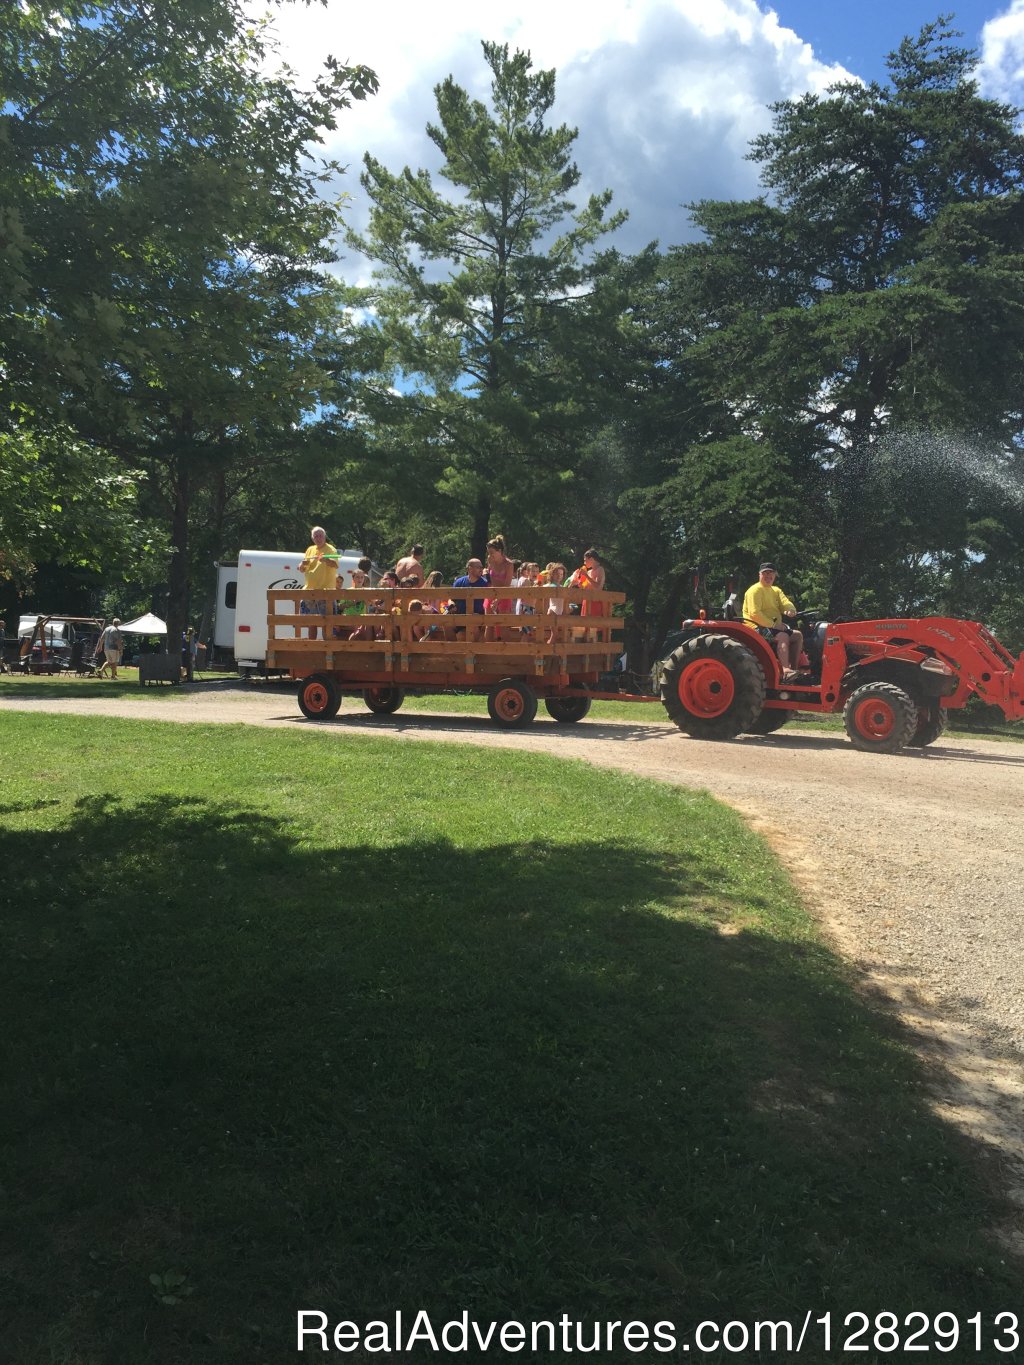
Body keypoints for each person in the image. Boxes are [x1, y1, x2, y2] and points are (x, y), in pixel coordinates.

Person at [742, 562, 804, 680]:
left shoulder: (776, 590)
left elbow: (785, 602)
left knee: (798, 635)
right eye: (765, 573)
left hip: (773, 627)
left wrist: (790, 610)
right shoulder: (754, 590)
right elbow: (755, 614)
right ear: (759, 575)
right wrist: (775, 625)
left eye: (771, 574)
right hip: (756, 627)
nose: (768, 576)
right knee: (783, 636)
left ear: (775, 576)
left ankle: (795, 670)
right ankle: (786, 671)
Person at [299, 526, 338, 639]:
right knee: (312, 623)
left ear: (325, 537)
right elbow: (302, 569)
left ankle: (326, 650)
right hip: (310, 592)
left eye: (320, 535)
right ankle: (312, 649)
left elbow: (335, 564)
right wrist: (302, 565)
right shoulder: (310, 550)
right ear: (312, 538)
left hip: (325, 593)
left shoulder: (330, 549)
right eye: (316, 536)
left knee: (327, 623)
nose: (318, 538)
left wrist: (326, 559)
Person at [484, 534, 515, 641]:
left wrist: (498, 600)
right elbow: (490, 579)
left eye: (492, 552)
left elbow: (507, 585)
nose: (490, 555)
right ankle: (487, 651)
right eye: (489, 553)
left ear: (500, 551)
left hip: (504, 596)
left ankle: (505, 653)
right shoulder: (490, 560)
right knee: (489, 624)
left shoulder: (509, 564)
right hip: (491, 593)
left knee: (503, 626)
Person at [451, 559, 490, 640]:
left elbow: (488, 602)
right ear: (470, 568)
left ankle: (473, 650)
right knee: (445, 620)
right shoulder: (459, 582)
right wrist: (451, 604)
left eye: (481, 567)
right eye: (478, 567)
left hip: (478, 617)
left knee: (473, 620)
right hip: (460, 616)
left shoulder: (485, 584)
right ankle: (452, 650)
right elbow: (451, 598)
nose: (481, 569)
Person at [544, 563, 568, 646]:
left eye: (561, 574)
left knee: (556, 635)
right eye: (557, 574)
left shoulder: (562, 587)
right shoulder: (549, 586)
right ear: (552, 574)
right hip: (552, 612)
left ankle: (550, 652)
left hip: (559, 613)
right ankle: (546, 651)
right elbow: (541, 589)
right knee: (554, 634)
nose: (559, 576)